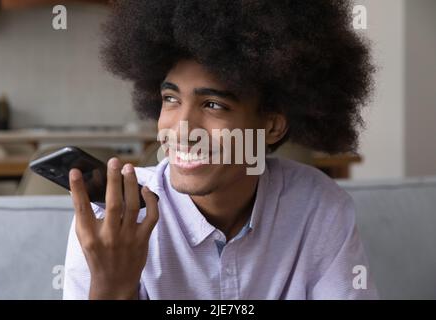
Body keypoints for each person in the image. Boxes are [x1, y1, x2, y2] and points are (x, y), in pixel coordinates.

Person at [63, 0, 377, 300]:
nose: (182, 129)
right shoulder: (109, 222)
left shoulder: (318, 209)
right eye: (171, 99)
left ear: (271, 126)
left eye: (213, 105)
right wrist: (112, 287)